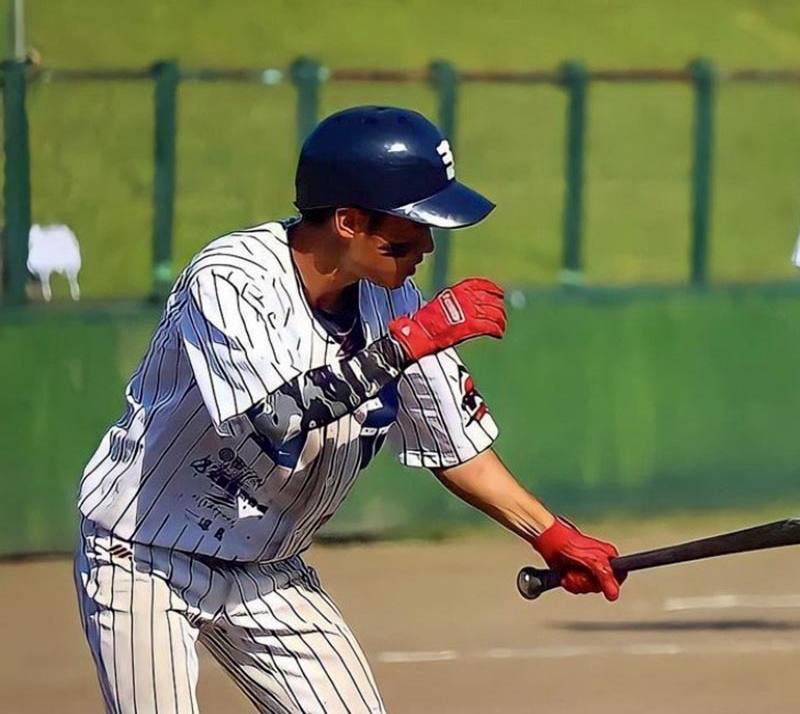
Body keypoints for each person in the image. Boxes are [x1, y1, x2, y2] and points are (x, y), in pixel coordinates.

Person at [75, 105, 623, 714]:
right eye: (410, 227)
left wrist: (549, 535)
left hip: (270, 569)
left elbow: (454, 444)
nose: (426, 244)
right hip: (147, 556)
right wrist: (412, 340)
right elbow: (276, 417)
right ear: (346, 221)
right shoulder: (233, 278)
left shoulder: (395, 302)